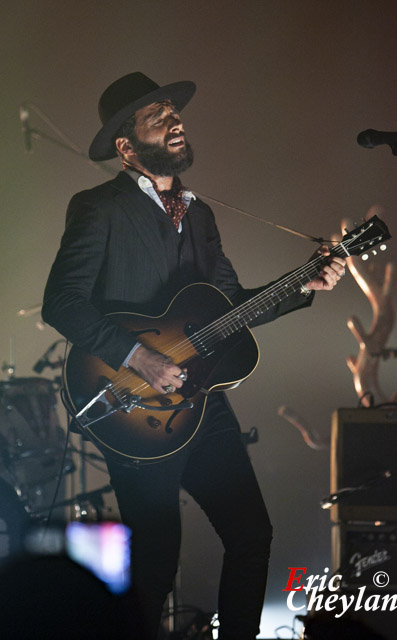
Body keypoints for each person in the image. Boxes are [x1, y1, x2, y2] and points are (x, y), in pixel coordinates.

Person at [42, 72, 345, 640]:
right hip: (136, 407)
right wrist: (139, 356)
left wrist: (307, 285)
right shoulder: (98, 208)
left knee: (252, 535)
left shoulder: (199, 216)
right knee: (157, 558)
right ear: (126, 147)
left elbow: (232, 307)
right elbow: (61, 303)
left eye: (173, 112)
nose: (175, 120)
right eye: (157, 116)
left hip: (200, 405)